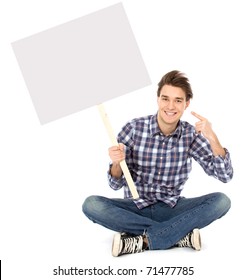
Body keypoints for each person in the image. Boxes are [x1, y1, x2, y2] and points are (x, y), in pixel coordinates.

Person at [82, 70, 233, 257]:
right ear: (158, 100)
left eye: (178, 100)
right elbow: (114, 184)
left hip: (172, 208)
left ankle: (142, 239)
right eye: (165, 99)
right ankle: (177, 236)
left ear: (186, 104)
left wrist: (212, 138)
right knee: (91, 205)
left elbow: (225, 175)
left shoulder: (190, 135)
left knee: (221, 201)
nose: (171, 106)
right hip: (134, 208)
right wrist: (116, 163)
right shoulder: (134, 128)